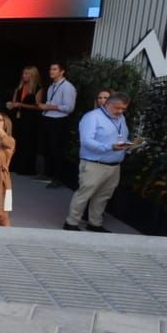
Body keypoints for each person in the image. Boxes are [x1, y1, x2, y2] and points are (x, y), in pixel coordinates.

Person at [64, 91, 133, 233]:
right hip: (94, 164)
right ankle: (71, 222)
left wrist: (129, 147)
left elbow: (121, 137)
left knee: (103, 196)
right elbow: (86, 141)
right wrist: (109, 147)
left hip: (114, 165)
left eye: (124, 109)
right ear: (108, 104)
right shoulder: (92, 117)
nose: (120, 111)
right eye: (117, 108)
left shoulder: (121, 118)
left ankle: (94, 223)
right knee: (84, 193)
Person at [39, 61, 77, 187]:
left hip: (59, 121)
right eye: (50, 69)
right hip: (48, 118)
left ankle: (58, 178)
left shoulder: (68, 87)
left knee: (57, 149)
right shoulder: (52, 86)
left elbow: (69, 108)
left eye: (55, 69)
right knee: (47, 148)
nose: (51, 71)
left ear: (62, 71)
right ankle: (47, 174)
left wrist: (49, 106)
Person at [3, 65, 43, 176]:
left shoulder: (38, 89)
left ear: (33, 75)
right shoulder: (19, 87)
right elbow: (14, 102)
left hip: (30, 119)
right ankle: (14, 165)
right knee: (16, 141)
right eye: (24, 73)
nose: (24, 76)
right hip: (18, 117)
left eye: (27, 74)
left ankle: (26, 168)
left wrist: (21, 105)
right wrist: (11, 104)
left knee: (28, 143)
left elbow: (38, 106)